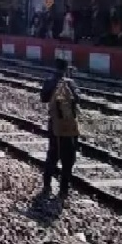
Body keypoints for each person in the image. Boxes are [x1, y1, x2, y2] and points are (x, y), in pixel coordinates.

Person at [40, 58, 80, 201]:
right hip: (70, 126)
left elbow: (43, 98)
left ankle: (47, 185)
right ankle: (64, 189)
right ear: (66, 68)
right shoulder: (70, 83)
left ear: (55, 67)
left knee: (52, 154)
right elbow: (78, 99)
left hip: (55, 124)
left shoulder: (49, 81)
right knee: (68, 158)